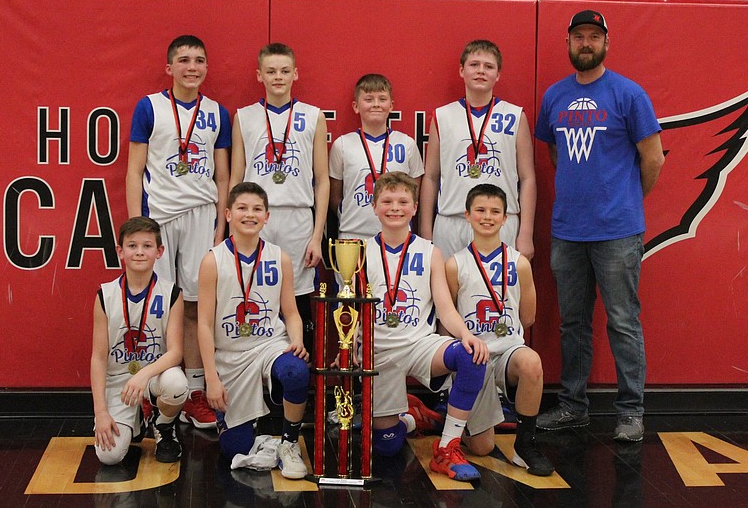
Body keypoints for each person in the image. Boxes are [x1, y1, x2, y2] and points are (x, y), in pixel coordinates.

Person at [534, 10, 664, 442]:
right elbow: (555, 155)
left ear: (606, 43)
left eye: (593, 36)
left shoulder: (629, 94)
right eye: (578, 37)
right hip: (568, 230)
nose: (585, 43)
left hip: (618, 232)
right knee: (573, 324)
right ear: (567, 43)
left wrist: (624, 201)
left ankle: (631, 411)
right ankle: (573, 405)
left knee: (623, 321)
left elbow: (653, 158)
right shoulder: (554, 96)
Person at [126, 34, 231, 429]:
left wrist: (221, 227)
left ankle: (194, 390)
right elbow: (135, 170)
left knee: (194, 306)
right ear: (169, 67)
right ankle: (156, 391)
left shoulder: (218, 112)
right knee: (161, 307)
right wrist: (139, 229)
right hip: (161, 218)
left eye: (199, 60)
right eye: (184, 60)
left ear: (206, 68)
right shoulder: (149, 107)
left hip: (203, 214)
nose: (192, 67)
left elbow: (223, 176)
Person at [363, 171, 489, 482]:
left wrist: (466, 335)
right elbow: (353, 311)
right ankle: (410, 419)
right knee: (387, 446)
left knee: (470, 356)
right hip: (379, 350)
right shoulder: (361, 251)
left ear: (416, 207)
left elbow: (445, 307)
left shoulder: (430, 251)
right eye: (387, 201)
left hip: (420, 345)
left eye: (403, 201)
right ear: (374, 206)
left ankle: (447, 447)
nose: (395, 208)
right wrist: (354, 343)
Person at [197, 182, 311, 480]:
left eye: (257, 209)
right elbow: (205, 325)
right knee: (234, 450)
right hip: (231, 357)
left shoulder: (280, 257)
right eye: (242, 208)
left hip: (269, 346)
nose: (250, 214)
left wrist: (296, 339)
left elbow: (291, 313)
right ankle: (256, 437)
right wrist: (210, 378)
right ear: (228, 214)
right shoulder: (213, 260)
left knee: (296, 371)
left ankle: (288, 443)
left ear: (267, 216)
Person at [445, 184, 554, 476]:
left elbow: (527, 317)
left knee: (531, 362)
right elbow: (448, 318)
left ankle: (526, 443)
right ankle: (462, 420)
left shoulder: (519, 264)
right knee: (481, 447)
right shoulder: (455, 264)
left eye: (495, 211)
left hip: (507, 353)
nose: (487, 217)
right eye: (480, 210)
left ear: (506, 218)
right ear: (467, 215)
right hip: (473, 359)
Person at [230, 43, 329, 354]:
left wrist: (317, 236)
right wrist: (232, 225)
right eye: (271, 71)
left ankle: (298, 376)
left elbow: (323, 180)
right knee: (252, 293)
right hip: (254, 218)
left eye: (285, 71)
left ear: (295, 74)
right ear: (259, 75)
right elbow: (236, 177)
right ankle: (256, 370)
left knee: (298, 298)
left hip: (298, 218)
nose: (278, 77)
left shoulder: (313, 116)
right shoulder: (244, 117)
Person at [419, 40, 537, 261]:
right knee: (447, 294)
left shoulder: (514, 116)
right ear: (462, 71)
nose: (481, 71)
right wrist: (426, 232)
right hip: (451, 220)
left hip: (501, 221)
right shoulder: (442, 116)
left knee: (498, 294)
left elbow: (528, 177)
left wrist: (526, 232)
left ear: (498, 75)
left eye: (489, 66)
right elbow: (431, 177)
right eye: (474, 64)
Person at [91, 217, 188, 465]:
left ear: (159, 252)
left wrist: (144, 375)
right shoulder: (105, 294)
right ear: (120, 252)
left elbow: (176, 352)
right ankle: (135, 423)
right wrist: (101, 413)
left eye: (147, 246)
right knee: (109, 456)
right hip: (119, 383)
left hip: (154, 378)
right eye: (132, 246)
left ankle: (163, 425)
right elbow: (98, 358)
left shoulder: (171, 293)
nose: (140, 252)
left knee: (177, 384)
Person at [329, 73, 424, 240]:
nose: (376, 105)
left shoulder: (407, 143)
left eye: (382, 99)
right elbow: (335, 196)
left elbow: (415, 191)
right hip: (353, 234)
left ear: (391, 105)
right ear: (356, 106)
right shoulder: (342, 145)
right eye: (368, 99)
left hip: (397, 234)